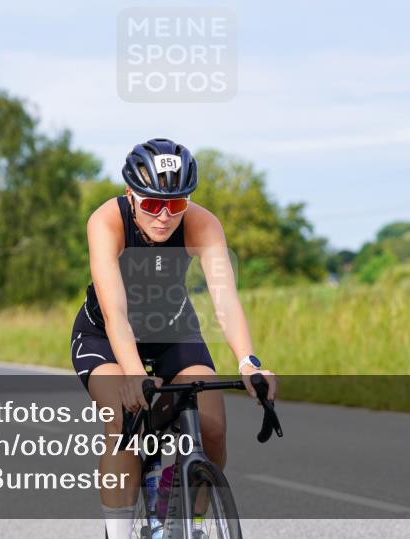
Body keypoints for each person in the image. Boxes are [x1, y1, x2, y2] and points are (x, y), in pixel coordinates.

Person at [69, 138, 277, 539]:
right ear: (131, 195)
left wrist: (248, 362)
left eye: (176, 204)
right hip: (105, 336)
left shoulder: (203, 223)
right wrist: (131, 374)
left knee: (212, 428)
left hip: (173, 333)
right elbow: (116, 313)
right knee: (123, 421)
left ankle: (188, 519)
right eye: (151, 204)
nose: (164, 215)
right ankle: (118, 532)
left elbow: (225, 301)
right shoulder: (106, 222)